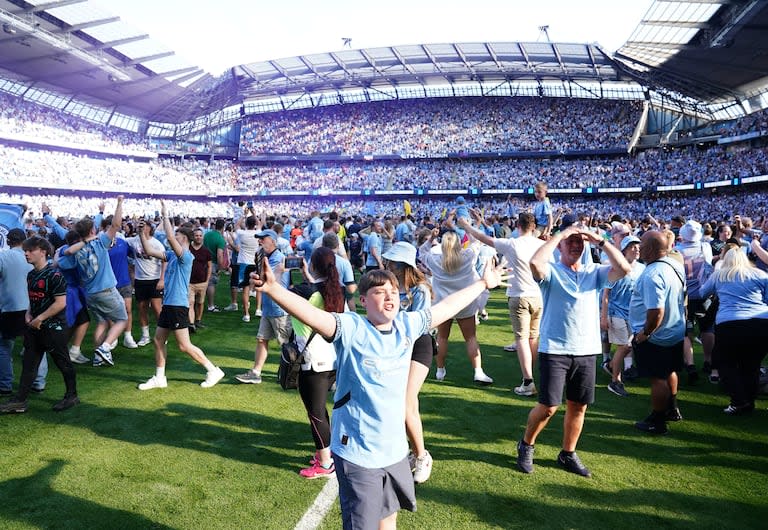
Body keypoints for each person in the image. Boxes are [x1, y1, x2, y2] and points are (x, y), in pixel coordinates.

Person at [251, 247, 505, 530]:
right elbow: (312, 314)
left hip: (395, 452)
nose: (389, 297)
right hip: (359, 455)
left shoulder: (407, 325)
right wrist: (273, 290)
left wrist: (483, 283)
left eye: (394, 292)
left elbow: (445, 308)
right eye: (379, 292)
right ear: (362, 300)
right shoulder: (351, 328)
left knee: (389, 521)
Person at [516, 222, 630, 477]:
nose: (576, 245)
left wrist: (600, 240)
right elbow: (535, 263)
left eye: (580, 242)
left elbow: (624, 268)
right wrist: (561, 235)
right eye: (572, 241)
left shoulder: (594, 272)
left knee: (578, 406)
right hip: (555, 348)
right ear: (561, 246)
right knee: (548, 406)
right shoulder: (552, 271)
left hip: (586, 349)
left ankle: (568, 453)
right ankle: (526, 444)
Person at [135, 202, 225, 390]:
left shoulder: (186, 256)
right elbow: (149, 251)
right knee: (158, 339)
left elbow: (168, 235)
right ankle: (160, 377)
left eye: (177, 236)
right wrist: (141, 234)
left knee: (184, 345)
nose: (173, 238)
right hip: (169, 304)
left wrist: (165, 215)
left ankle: (213, 370)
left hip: (178, 305)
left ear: (184, 239)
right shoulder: (172, 255)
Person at [459, 211, 543, 395]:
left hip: (519, 295)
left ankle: (528, 380)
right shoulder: (541, 245)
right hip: (538, 296)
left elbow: (483, 237)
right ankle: (532, 375)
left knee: (521, 339)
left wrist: (466, 226)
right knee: (532, 338)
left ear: (518, 226)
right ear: (534, 227)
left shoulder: (513, 243)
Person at [0, 236, 78, 413]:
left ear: (43, 252)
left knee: (62, 362)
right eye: (25, 250)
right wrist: (29, 312)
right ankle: (19, 401)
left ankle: (72, 396)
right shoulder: (31, 274)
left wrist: (40, 318)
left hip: (54, 328)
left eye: (30, 250)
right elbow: (33, 298)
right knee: (29, 363)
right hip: (35, 327)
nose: (26, 254)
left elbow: (60, 303)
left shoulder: (54, 275)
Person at [383, 241, 435, 483]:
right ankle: (415, 453)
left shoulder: (420, 290)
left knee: (406, 402)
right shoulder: (390, 287)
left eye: (392, 262)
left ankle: (422, 455)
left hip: (418, 345)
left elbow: (419, 325)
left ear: (404, 265)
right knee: (400, 404)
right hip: (395, 346)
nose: (388, 265)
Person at [419, 219, 493, 385]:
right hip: (464, 303)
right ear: (459, 244)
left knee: (442, 338)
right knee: (471, 338)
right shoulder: (468, 256)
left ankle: (440, 370)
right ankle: (478, 371)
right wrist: (468, 226)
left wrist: (431, 238)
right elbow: (476, 241)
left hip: (443, 304)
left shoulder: (434, 259)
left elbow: (421, 250)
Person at [699, 242, 768, 414]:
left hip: (730, 323)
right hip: (760, 323)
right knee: (751, 365)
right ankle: (748, 402)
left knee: (723, 361)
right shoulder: (760, 274)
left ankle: (739, 400)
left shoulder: (720, 275)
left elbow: (702, 293)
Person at [629, 230, 687, 434]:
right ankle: (672, 408)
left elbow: (656, 311)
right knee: (670, 371)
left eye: (642, 245)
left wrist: (645, 332)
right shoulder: (675, 265)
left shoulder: (652, 273)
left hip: (658, 335)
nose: (639, 248)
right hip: (675, 330)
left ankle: (658, 420)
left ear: (652, 249)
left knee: (658, 378)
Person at [294, 247, 343, 479]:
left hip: (313, 361)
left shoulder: (308, 293)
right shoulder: (335, 291)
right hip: (330, 357)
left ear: (313, 266)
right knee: (320, 410)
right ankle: (324, 454)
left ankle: (325, 463)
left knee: (316, 413)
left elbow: (287, 299)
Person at [62, 196, 127, 366]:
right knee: (122, 320)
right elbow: (116, 225)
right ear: (92, 231)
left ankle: (99, 358)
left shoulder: (76, 250)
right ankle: (104, 348)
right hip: (106, 291)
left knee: (103, 321)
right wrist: (119, 203)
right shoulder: (100, 242)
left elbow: (60, 260)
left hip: (90, 294)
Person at [235, 229, 291, 384]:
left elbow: (266, 280)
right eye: (259, 239)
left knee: (287, 345)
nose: (260, 242)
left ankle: (294, 374)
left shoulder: (278, 257)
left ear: (272, 240)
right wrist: (254, 277)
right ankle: (256, 372)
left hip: (279, 307)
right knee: (262, 339)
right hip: (269, 306)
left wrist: (255, 279)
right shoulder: (264, 256)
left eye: (262, 239)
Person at [601, 235, 645, 397]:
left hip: (633, 314)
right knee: (624, 346)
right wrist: (604, 317)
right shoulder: (616, 268)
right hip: (616, 312)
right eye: (633, 247)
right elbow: (606, 293)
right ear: (625, 250)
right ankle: (615, 381)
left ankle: (611, 365)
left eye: (638, 247)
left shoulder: (642, 268)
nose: (637, 249)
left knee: (629, 345)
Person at [0, 228, 34, 395]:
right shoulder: (32, 256)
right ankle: (38, 382)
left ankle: (5, 384)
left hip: (9, 308)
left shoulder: (3, 256)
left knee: (4, 346)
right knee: (35, 346)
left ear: (8, 240)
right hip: (31, 307)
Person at [125, 219, 166, 347]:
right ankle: (145, 335)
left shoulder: (156, 243)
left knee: (156, 308)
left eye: (144, 225)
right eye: (139, 225)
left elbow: (165, 260)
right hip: (140, 279)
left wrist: (162, 279)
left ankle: (162, 334)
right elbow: (120, 240)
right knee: (142, 308)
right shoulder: (133, 240)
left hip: (154, 279)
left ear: (150, 228)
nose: (140, 227)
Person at [188, 227, 213, 331]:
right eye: (196, 235)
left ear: (202, 237)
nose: (198, 237)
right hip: (189, 282)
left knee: (200, 302)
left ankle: (198, 320)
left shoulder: (206, 251)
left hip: (202, 282)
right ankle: (191, 323)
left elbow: (209, 266)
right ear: (193, 237)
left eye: (200, 235)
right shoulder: (188, 249)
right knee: (190, 302)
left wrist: (207, 281)